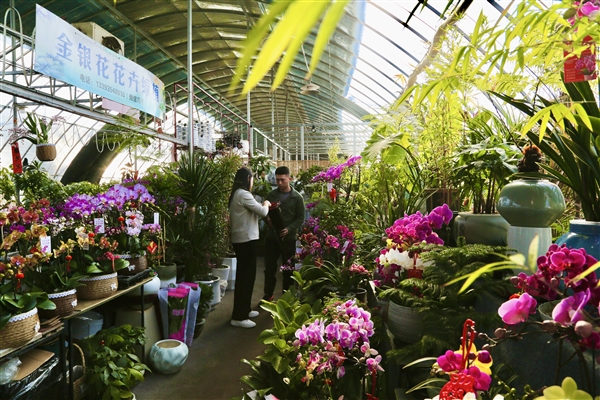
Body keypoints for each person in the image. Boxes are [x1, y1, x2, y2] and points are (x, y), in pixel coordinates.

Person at [228, 167, 270, 328]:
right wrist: (266, 203)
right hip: (246, 241)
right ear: (247, 179)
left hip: (243, 240)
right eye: (252, 178)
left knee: (246, 277)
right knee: (245, 278)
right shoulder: (243, 194)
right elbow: (263, 211)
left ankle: (244, 309)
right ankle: (239, 317)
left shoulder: (237, 194)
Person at [262, 166, 305, 302]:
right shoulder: (271, 195)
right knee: (269, 269)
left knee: (288, 270)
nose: (279, 183)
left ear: (289, 178)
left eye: (282, 180)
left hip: (288, 239)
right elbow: (263, 212)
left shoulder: (297, 198)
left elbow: (300, 218)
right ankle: (268, 295)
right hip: (272, 238)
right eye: (277, 180)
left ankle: (287, 297)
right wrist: (267, 219)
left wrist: (289, 229)